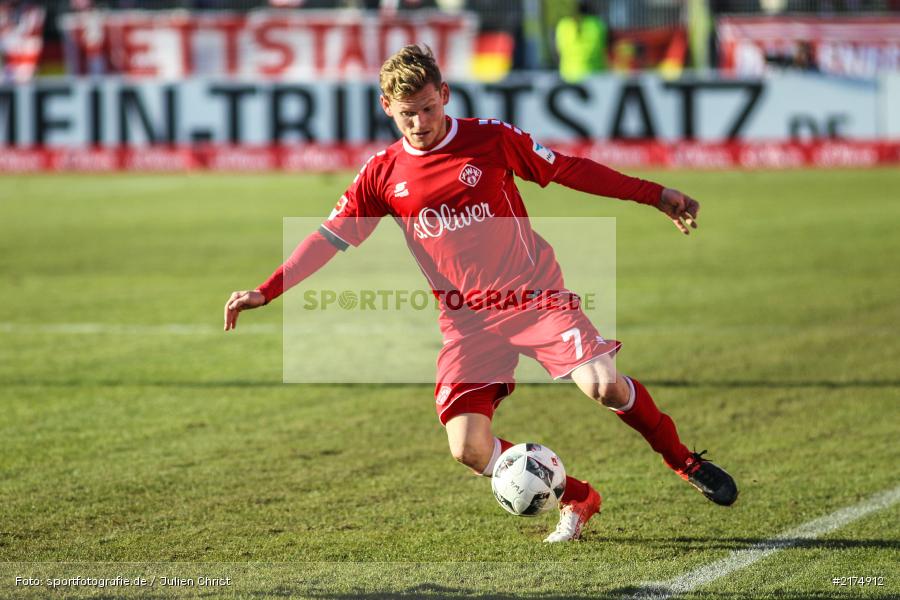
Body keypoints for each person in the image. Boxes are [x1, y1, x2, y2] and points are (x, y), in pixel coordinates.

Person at [224, 44, 738, 543]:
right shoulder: (381, 174)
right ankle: (577, 496)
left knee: (604, 386)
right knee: (468, 449)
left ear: (444, 94)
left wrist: (655, 195)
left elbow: (568, 169)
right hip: (466, 324)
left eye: (427, 108)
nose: (420, 123)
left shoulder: (490, 139)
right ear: (386, 108)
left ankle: (682, 460)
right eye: (407, 115)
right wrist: (267, 291)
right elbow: (329, 238)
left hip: (535, 298)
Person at [555, 1, 607, 82]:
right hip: (594, 76)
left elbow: (558, 51)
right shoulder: (597, 25)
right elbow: (605, 49)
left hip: (568, 76)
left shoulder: (563, 25)